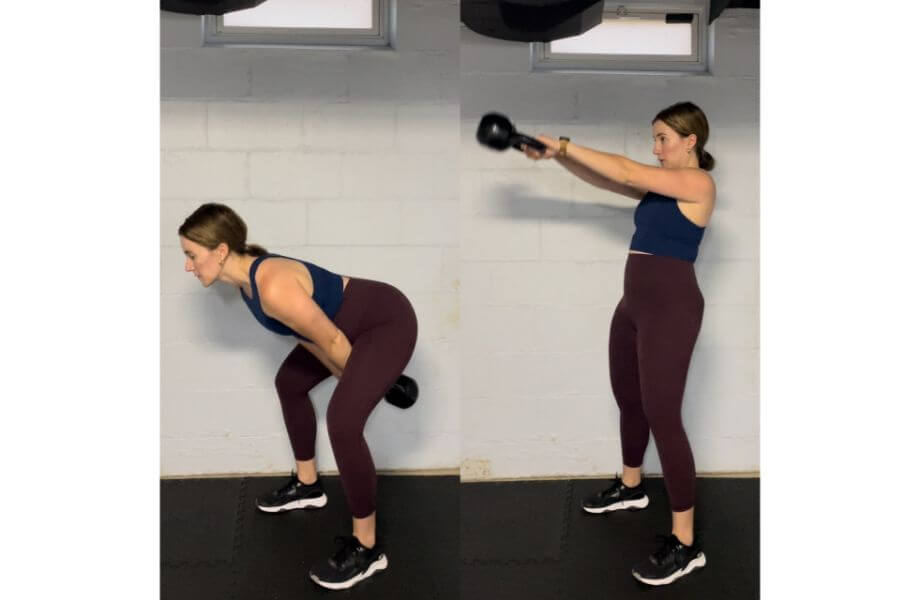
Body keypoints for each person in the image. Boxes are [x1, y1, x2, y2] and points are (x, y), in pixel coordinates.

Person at [520, 101, 716, 586]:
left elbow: (628, 169)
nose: (656, 148)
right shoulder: (659, 189)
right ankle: (632, 487)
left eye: (663, 139)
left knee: (663, 416)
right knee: (628, 398)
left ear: (691, 141)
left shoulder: (698, 184)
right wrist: (558, 158)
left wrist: (565, 143)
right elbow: (612, 180)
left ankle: (686, 543)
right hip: (633, 305)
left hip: (671, 308)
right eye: (654, 139)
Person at [177, 203, 418, 590]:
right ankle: (308, 486)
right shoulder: (247, 287)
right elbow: (311, 337)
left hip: (384, 321)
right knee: (290, 384)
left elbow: (335, 339)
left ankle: (367, 549)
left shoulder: (271, 285)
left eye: (191, 255)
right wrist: (359, 378)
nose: (188, 266)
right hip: (340, 330)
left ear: (220, 250)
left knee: (343, 421)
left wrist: (364, 383)